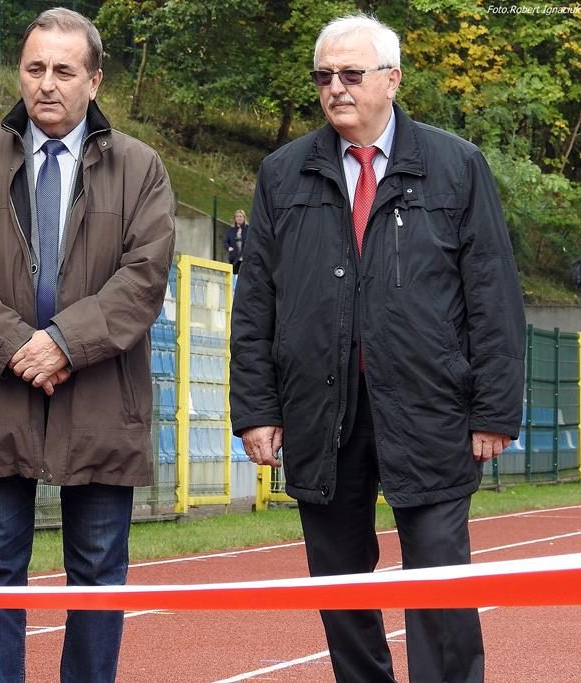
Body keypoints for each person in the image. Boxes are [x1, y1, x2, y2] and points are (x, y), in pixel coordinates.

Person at [229, 13, 525, 683]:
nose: (335, 87)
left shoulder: (457, 166)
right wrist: (256, 408)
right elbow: (257, 302)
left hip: (430, 405)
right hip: (319, 408)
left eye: (351, 73)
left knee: (440, 577)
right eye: (323, 76)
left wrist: (493, 410)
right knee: (338, 581)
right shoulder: (282, 173)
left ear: (392, 80)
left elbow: (492, 294)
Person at [0, 8, 175, 682]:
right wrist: (17, 346)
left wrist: (64, 343)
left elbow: (144, 277)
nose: (47, 83)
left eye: (64, 70)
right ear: (20, 74)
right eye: (35, 68)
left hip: (101, 396)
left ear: (94, 81)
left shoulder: (140, 168)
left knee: (97, 571)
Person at [223, 208, 248, 274]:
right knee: (234, 276)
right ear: (235, 218)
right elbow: (225, 242)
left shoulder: (248, 229)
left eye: (241, 216)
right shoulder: (231, 230)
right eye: (237, 216)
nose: (239, 218)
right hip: (234, 258)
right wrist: (228, 248)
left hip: (246, 259)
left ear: (244, 218)